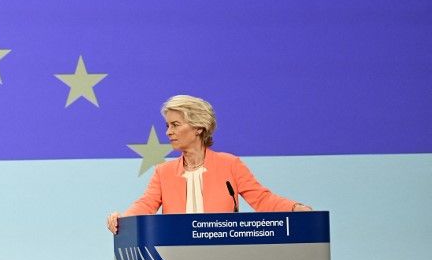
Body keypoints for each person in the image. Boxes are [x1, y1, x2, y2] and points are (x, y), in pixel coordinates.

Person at [106, 95, 311, 234]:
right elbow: (145, 205)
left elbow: (261, 199)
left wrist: (294, 208)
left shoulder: (230, 164)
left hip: (222, 257)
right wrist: (123, 219)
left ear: (199, 128)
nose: (168, 132)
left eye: (175, 125)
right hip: (177, 256)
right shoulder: (164, 172)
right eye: (167, 126)